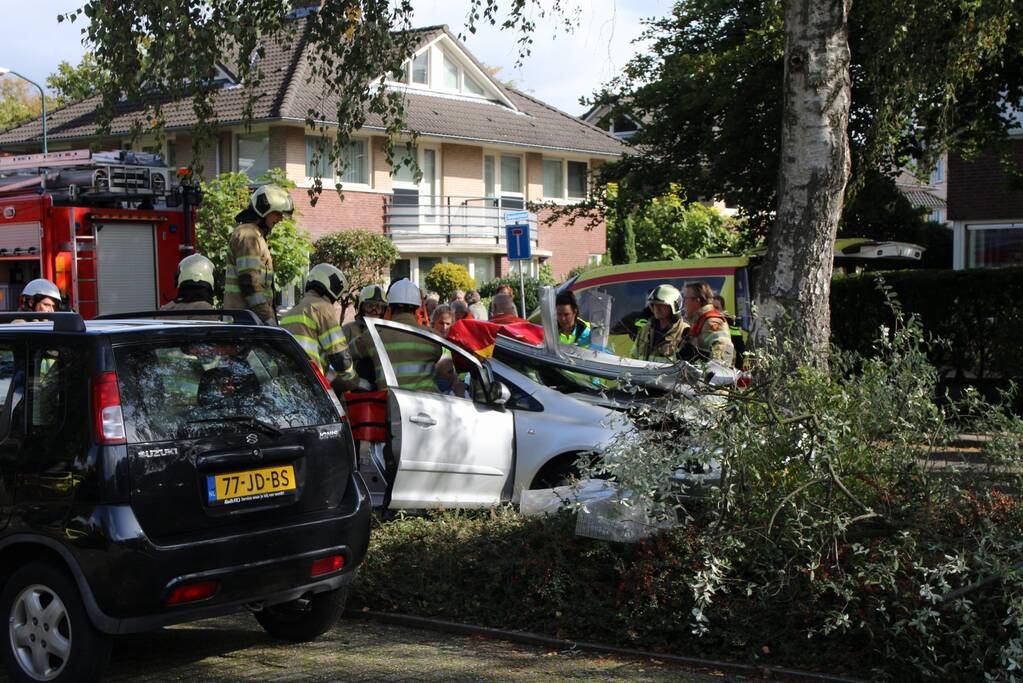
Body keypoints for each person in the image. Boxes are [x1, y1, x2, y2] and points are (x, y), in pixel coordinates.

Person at [280, 263, 363, 393]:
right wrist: (353, 380)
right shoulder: (322, 307)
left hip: (286, 387)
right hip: (308, 383)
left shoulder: (288, 315)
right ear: (331, 286)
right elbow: (339, 354)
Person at [353, 278, 442, 392]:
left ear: (389, 307)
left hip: (392, 405)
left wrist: (359, 383)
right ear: (417, 308)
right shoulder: (433, 337)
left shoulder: (373, 335)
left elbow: (346, 356)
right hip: (427, 405)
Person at [224, 184, 294, 325]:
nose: (280, 219)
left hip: (250, 321)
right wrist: (268, 319)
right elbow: (249, 282)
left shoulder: (257, 236)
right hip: (244, 323)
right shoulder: (248, 235)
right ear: (264, 210)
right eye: (277, 213)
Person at [682, 281, 735, 367]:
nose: (684, 302)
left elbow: (724, 349)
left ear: (697, 300)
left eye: (685, 298)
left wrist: (711, 374)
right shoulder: (698, 320)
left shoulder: (712, 321)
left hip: (706, 379)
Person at [631, 284, 688, 362]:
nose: (656, 308)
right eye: (654, 304)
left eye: (661, 304)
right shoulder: (644, 330)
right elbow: (633, 359)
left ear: (674, 306)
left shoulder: (684, 331)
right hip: (642, 374)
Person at [713, 293, 746, 368]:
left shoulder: (732, 324)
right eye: (712, 308)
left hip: (724, 368)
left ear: (723, 310)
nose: (714, 311)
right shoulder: (703, 323)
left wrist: (737, 368)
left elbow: (741, 350)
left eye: (717, 308)